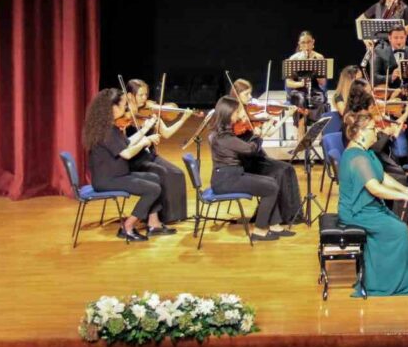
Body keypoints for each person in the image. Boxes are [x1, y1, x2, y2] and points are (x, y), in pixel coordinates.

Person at [338, 113, 408, 296]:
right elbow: (375, 188)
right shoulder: (357, 158)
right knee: (399, 230)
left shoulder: (366, 152)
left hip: (368, 207)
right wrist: (404, 197)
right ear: (360, 132)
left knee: (398, 226)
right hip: (357, 212)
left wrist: (405, 190)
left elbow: (382, 176)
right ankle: (398, 280)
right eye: (373, 128)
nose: (377, 132)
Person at [82, 88, 169, 242]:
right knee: (153, 189)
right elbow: (126, 154)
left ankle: (153, 222)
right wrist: (145, 142)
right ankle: (127, 227)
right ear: (113, 108)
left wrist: (146, 129)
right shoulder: (106, 131)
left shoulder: (110, 127)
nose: (126, 107)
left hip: (117, 175)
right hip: (107, 180)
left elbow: (127, 143)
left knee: (155, 178)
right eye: (123, 105)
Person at [208, 96, 294, 242]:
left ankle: (274, 225)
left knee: (271, 183)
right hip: (226, 180)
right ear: (228, 114)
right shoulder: (224, 137)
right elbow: (250, 149)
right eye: (237, 112)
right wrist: (257, 135)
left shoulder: (220, 134)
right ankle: (259, 230)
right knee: (271, 187)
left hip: (230, 175)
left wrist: (255, 134)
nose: (239, 114)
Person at [230, 79, 303, 228]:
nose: (250, 97)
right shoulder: (233, 115)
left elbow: (268, 133)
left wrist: (286, 116)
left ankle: (290, 215)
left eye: (250, 93)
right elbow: (245, 143)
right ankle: (277, 216)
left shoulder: (250, 113)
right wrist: (258, 133)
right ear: (236, 95)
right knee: (279, 172)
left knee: (288, 168)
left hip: (257, 156)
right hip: (246, 162)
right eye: (246, 94)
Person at [123, 79, 192, 224]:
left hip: (150, 156)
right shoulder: (125, 115)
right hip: (135, 160)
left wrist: (183, 119)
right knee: (163, 174)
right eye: (140, 95)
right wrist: (145, 134)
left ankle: (175, 215)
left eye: (146, 94)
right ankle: (159, 216)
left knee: (177, 173)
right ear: (129, 95)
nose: (144, 98)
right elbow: (125, 145)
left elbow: (166, 133)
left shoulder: (150, 113)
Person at [285, 31, 328, 125]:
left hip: (314, 90)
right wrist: (301, 83)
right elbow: (289, 83)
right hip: (297, 91)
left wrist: (315, 70)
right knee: (300, 100)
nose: (306, 45)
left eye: (309, 42)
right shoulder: (293, 58)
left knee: (320, 101)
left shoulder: (319, 57)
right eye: (303, 43)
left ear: (313, 42)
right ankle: (301, 130)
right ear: (299, 44)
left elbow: (323, 82)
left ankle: (317, 129)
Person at [370, 25, 408, 89]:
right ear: (389, 38)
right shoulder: (380, 53)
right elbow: (374, 77)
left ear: (406, 37)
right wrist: (391, 77)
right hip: (389, 90)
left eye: (402, 38)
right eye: (396, 38)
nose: (399, 41)